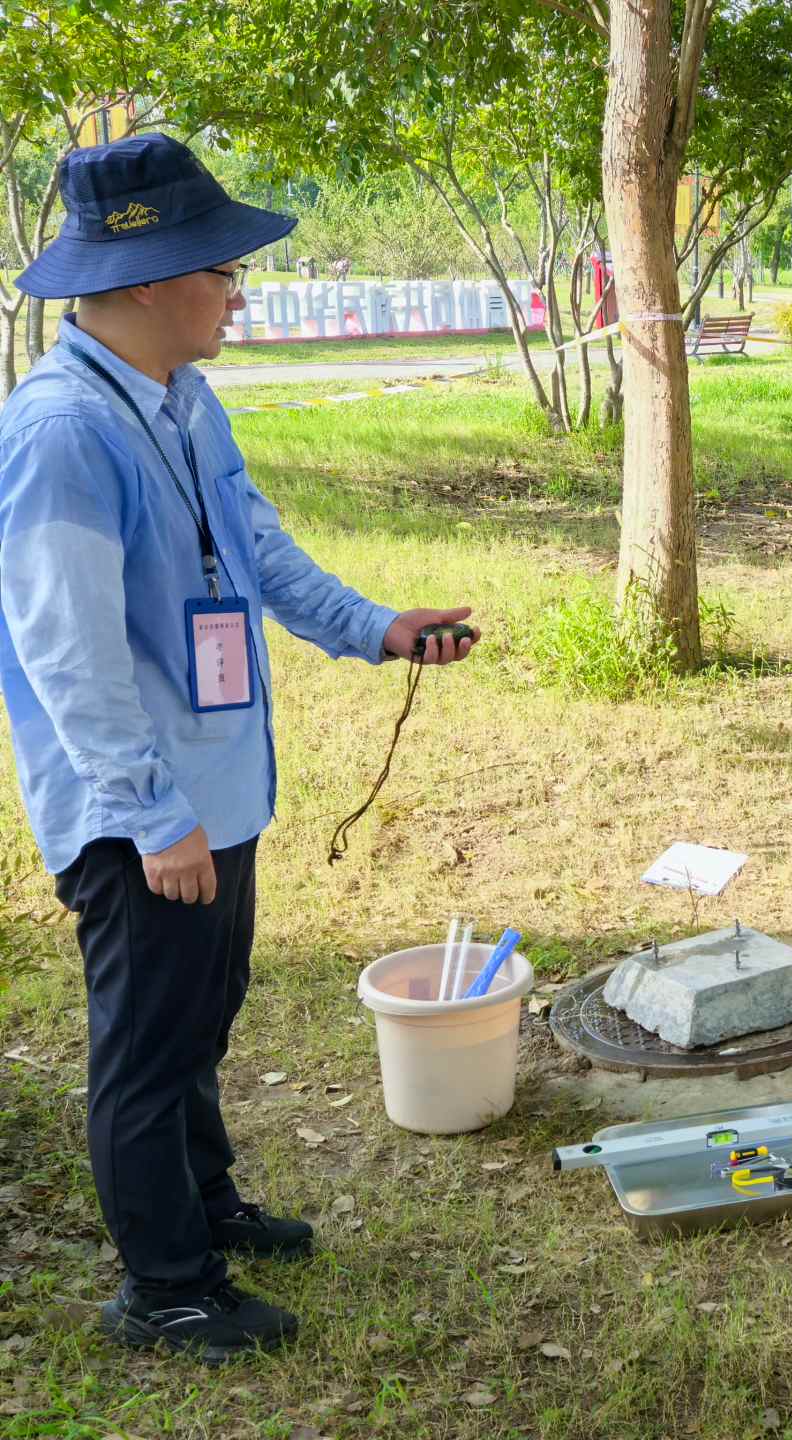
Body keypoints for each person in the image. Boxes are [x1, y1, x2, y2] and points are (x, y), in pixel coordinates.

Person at [0, 133, 480, 1361]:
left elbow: (255, 548)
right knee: (146, 1049)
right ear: (154, 279)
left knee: (201, 1017)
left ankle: (206, 1203)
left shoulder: (181, 398)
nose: (238, 295)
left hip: (213, 789)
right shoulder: (61, 432)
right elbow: (68, 655)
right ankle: (165, 1289)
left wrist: (375, 626)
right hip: (143, 814)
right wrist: (152, 815)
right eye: (223, 271)